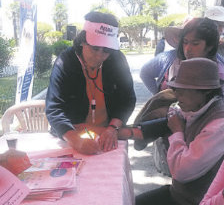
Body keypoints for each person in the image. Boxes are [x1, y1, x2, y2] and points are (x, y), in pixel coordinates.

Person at [119, 58, 224, 205]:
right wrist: (123, 132)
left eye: (183, 90)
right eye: (176, 89)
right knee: (129, 201)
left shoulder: (218, 124)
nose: (177, 95)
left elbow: (182, 171)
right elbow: (166, 124)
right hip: (178, 194)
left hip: (194, 200)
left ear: (205, 92)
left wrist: (177, 132)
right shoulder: (196, 106)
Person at [46, 11, 136, 155]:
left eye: (106, 50)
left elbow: (128, 99)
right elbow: (54, 109)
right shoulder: (65, 62)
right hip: (71, 134)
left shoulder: (117, 59)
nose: (100, 55)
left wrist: (113, 128)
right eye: (95, 48)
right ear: (82, 41)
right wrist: (75, 140)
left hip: (108, 132)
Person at [140, 17, 224, 96]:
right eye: (185, 42)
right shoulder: (168, 58)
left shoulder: (219, 69)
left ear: (210, 46)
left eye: (195, 44)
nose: (188, 49)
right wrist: (159, 96)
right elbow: (145, 72)